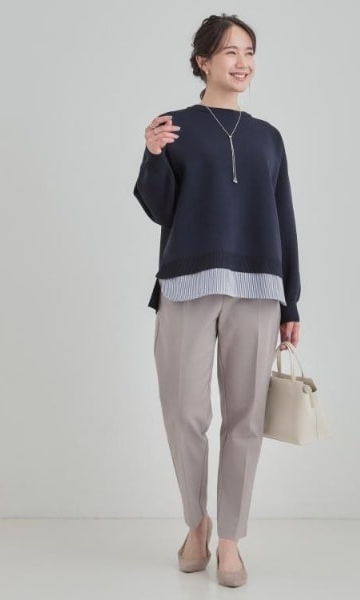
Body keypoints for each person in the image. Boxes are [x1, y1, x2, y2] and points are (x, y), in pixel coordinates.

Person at [133, 13, 301, 587]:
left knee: (245, 419)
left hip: (258, 290)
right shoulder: (174, 127)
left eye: (249, 51)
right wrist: (153, 156)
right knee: (184, 412)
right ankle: (196, 524)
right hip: (186, 285)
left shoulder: (268, 137)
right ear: (203, 61)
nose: (242, 62)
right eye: (230, 51)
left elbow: (284, 220)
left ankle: (230, 540)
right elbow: (159, 208)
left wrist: (292, 304)